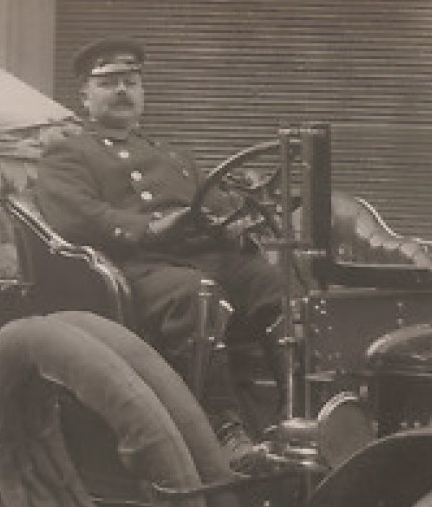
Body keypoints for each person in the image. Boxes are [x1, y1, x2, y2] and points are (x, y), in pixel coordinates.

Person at [35, 37, 286, 472]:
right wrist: (146, 228)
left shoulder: (172, 155)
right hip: (129, 268)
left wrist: (241, 221)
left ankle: (303, 410)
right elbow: (77, 216)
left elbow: (216, 204)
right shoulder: (68, 154)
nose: (121, 92)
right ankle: (223, 429)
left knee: (277, 284)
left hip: (196, 257)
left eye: (130, 82)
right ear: (85, 95)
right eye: (109, 83)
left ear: (142, 93)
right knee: (196, 295)